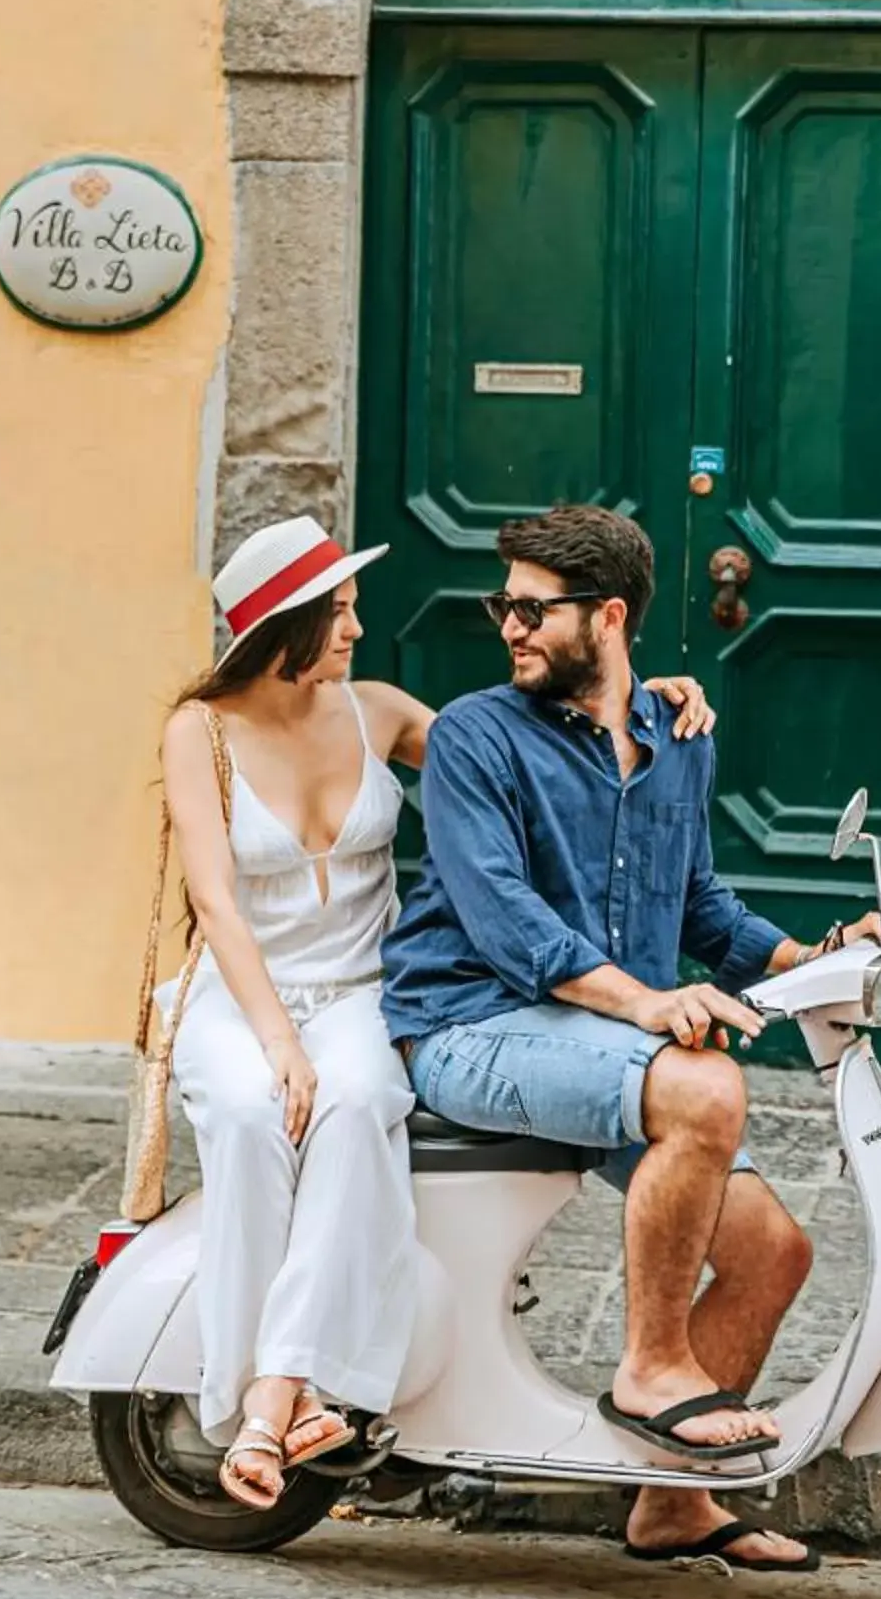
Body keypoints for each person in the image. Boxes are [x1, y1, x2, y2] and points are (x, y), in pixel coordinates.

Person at [164, 515, 717, 1510]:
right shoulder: (199, 732)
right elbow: (213, 904)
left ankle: (286, 1395)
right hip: (244, 994)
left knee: (359, 1105)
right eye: (337, 612)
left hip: (360, 991)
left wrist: (651, 697)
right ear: (280, 626)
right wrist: (279, 1045)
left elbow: (525, 739)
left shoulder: (374, 710)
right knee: (250, 1117)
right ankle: (246, 1389)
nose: (357, 628)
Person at [378, 505, 879, 1573]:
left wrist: (810, 957)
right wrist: (649, 1005)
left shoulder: (673, 738)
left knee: (775, 1253)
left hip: (595, 1038)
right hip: (471, 1023)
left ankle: (672, 1504)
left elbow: (698, 905)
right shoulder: (476, 735)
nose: (506, 625)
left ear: (606, 616)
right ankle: (654, 1367)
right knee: (703, 1088)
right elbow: (505, 917)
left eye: (529, 607)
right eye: (499, 603)